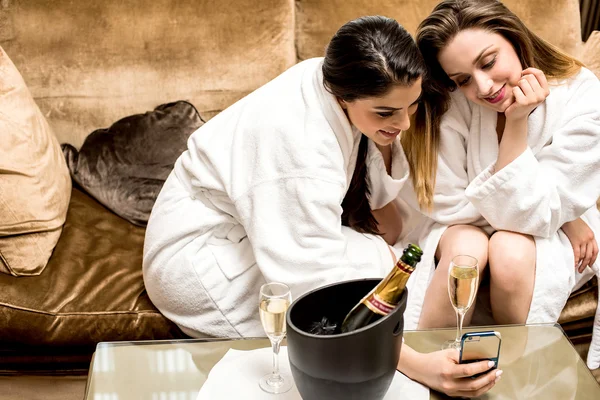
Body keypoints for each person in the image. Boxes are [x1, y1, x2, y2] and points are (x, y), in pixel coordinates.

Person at [143, 15, 499, 397]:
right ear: (344, 94)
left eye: (410, 105)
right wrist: (415, 366)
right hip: (199, 265)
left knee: (382, 264)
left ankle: (414, 344)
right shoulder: (295, 145)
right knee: (336, 323)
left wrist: (382, 125)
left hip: (248, 232)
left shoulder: (330, 74)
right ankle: (417, 356)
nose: (405, 124)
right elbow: (309, 279)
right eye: (386, 112)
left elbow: (379, 204)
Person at [396, 0, 600, 370]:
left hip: (552, 237)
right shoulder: (454, 102)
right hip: (483, 227)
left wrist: (516, 123)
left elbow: (548, 207)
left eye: (488, 62)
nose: (484, 87)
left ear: (515, 39)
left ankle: (506, 372)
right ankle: (424, 367)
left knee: (509, 249)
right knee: (466, 247)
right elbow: (446, 203)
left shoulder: (583, 95)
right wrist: (560, 216)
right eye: (462, 79)